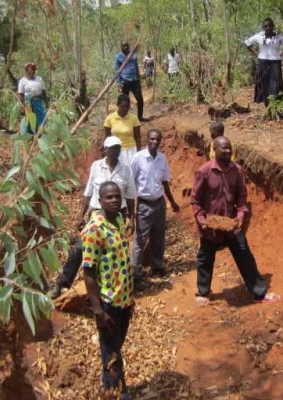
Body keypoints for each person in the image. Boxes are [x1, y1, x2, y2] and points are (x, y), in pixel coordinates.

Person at [190, 136, 280, 307]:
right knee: (205, 258)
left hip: (231, 224)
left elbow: (241, 198)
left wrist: (240, 217)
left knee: (245, 255)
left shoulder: (237, 171)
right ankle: (204, 292)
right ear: (214, 150)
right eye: (223, 148)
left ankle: (259, 292)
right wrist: (202, 219)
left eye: (229, 148)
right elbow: (195, 200)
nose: (227, 151)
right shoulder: (204, 171)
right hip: (211, 225)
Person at [47, 137, 136, 299]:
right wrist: (81, 215)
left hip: (118, 215)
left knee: (115, 250)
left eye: (117, 148)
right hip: (96, 213)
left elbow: (130, 196)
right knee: (81, 248)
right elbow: (88, 192)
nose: (114, 151)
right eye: (111, 148)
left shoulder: (126, 169)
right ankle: (62, 284)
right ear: (105, 150)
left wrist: (131, 218)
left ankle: (117, 286)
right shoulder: (97, 166)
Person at [82, 182, 135, 399]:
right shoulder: (95, 230)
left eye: (116, 196)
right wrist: (98, 311)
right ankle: (117, 391)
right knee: (111, 350)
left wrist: (131, 299)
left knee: (115, 346)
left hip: (124, 300)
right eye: (108, 197)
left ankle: (110, 385)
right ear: (100, 200)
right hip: (107, 303)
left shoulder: (120, 221)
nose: (113, 200)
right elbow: (88, 273)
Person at [130, 129, 180, 285]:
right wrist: (130, 213)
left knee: (158, 237)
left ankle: (157, 267)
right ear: (147, 139)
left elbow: (165, 182)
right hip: (144, 204)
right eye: (152, 139)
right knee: (140, 240)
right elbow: (131, 184)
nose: (155, 142)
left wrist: (172, 202)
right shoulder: (137, 158)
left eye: (157, 140)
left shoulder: (162, 158)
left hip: (159, 203)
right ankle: (135, 274)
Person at [244, 18, 283, 106]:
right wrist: (256, 53)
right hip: (263, 63)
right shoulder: (259, 36)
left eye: (270, 25)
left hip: (275, 63)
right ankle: (267, 107)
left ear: (273, 26)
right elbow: (247, 42)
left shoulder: (279, 36)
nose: (268, 27)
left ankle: (275, 107)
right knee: (264, 85)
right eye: (265, 26)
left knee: (276, 85)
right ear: (263, 27)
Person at [105, 94, 142, 167]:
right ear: (118, 105)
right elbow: (107, 138)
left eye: (127, 106)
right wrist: (107, 152)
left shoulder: (134, 118)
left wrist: (138, 153)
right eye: (123, 106)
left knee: (131, 173)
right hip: (115, 151)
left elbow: (138, 137)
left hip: (131, 150)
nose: (125, 109)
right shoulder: (110, 118)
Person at [115, 41, 147, 122]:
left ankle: (140, 117)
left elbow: (136, 67)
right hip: (125, 81)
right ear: (121, 47)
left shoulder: (133, 55)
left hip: (134, 80)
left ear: (129, 46)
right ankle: (125, 119)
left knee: (140, 99)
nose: (125, 47)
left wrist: (138, 79)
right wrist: (118, 83)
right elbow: (117, 70)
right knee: (124, 101)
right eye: (123, 46)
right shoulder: (118, 57)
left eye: (127, 45)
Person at [17, 62, 49, 134]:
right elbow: (21, 94)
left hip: (38, 101)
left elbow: (44, 91)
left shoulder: (39, 79)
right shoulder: (23, 81)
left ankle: (41, 133)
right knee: (29, 118)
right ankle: (29, 135)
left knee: (41, 116)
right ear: (26, 71)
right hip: (28, 102)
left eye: (33, 70)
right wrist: (21, 107)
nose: (32, 72)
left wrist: (47, 103)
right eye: (30, 70)